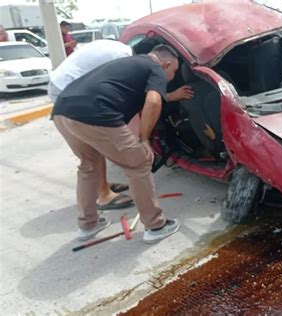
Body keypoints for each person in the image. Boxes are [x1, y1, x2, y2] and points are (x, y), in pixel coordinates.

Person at [52, 45, 183, 244]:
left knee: (89, 166)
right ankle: (156, 226)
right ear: (166, 64)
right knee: (138, 164)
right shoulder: (154, 68)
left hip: (62, 110)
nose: (173, 76)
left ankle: (88, 225)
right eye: (174, 71)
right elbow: (154, 102)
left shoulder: (127, 63)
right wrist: (145, 140)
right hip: (95, 113)